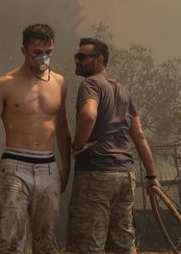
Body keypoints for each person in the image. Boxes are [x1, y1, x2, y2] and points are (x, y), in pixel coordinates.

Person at [0, 23, 71, 254]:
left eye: (48, 51)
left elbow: (62, 127)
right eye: (37, 52)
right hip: (15, 167)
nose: (43, 57)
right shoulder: (4, 85)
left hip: (48, 167)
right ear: (24, 50)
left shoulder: (60, 83)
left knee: (46, 241)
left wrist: (66, 166)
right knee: (11, 241)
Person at [66, 37, 161, 254]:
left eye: (82, 57)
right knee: (122, 244)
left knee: (87, 244)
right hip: (125, 175)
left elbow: (89, 114)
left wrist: (78, 145)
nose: (77, 61)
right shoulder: (123, 91)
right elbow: (139, 136)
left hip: (96, 173)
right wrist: (152, 176)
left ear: (99, 60)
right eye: (76, 56)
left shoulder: (90, 84)